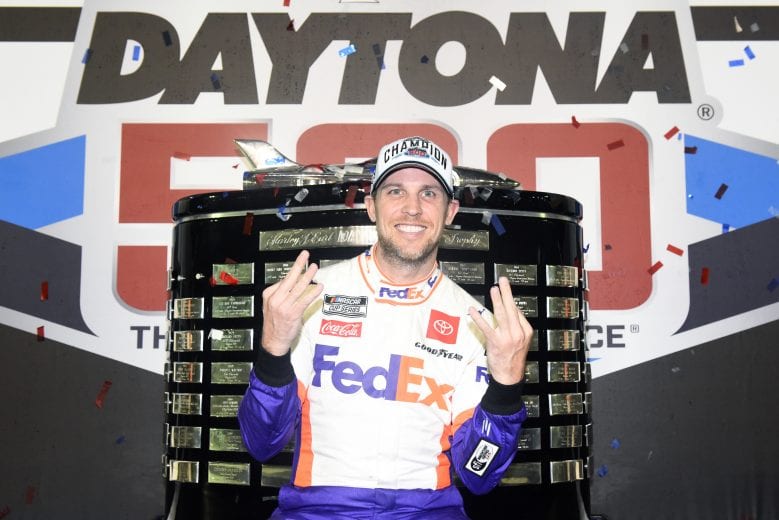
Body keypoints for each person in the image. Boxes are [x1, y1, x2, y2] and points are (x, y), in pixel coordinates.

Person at [238, 136, 533, 519]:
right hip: (318, 510)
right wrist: (273, 349)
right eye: (396, 191)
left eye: (429, 193)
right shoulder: (310, 298)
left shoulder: (477, 323)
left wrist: (506, 390)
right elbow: (262, 443)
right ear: (371, 206)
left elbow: (478, 474)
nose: (412, 207)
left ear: (450, 212)